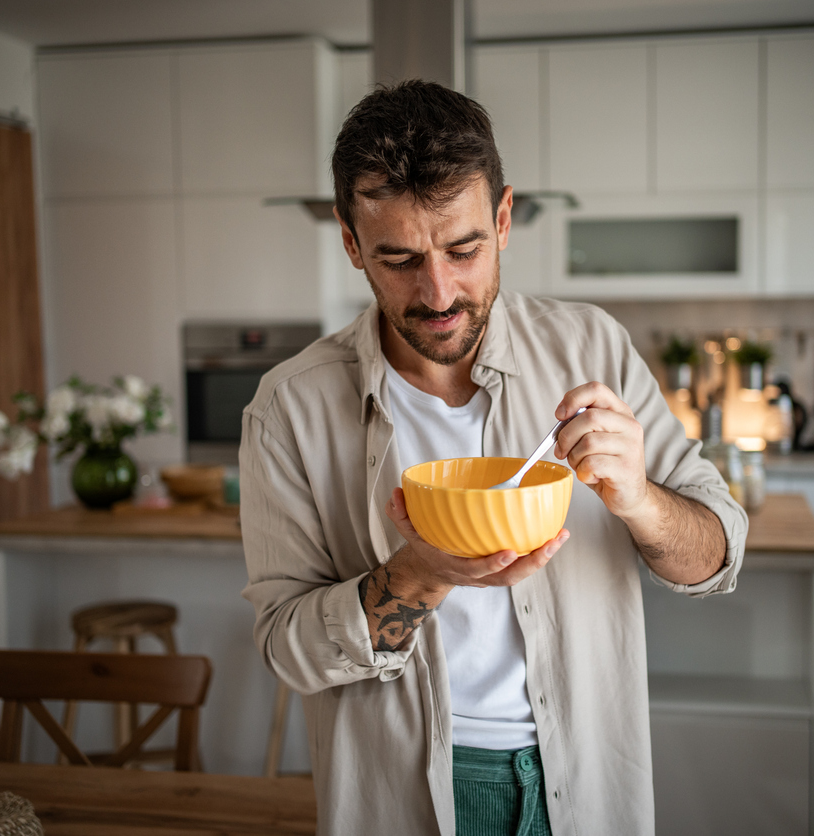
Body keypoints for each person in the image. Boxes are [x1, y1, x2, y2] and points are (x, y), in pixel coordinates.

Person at [239, 79, 748, 836]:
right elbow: (288, 651)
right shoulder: (290, 408)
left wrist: (641, 498)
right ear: (351, 243)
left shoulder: (592, 347)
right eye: (399, 258)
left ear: (504, 219)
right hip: (405, 796)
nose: (439, 292)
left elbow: (717, 559)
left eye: (464, 249)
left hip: (588, 780)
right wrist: (420, 574)